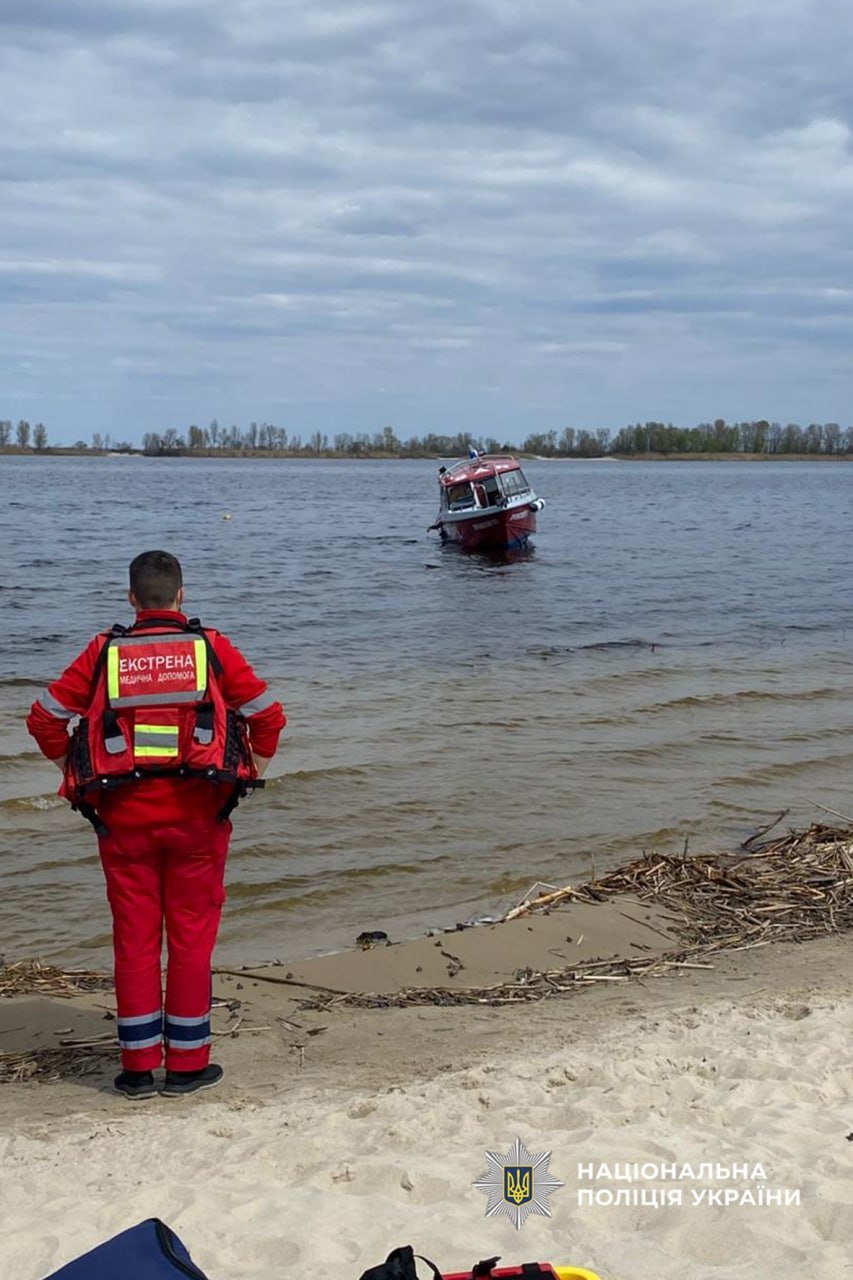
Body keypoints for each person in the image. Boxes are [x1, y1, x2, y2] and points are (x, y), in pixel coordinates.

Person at [26, 550, 286, 1100]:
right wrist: (252, 770)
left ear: (131, 599)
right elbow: (267, 715)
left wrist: (69, 770)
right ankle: (188, 1067)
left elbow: (45, 718)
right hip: (200, 819)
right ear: (181, 596)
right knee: (192, 940)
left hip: (122, 821)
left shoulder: (104, 651)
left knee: (134, 941)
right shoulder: (210, 647)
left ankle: (138, 1070)